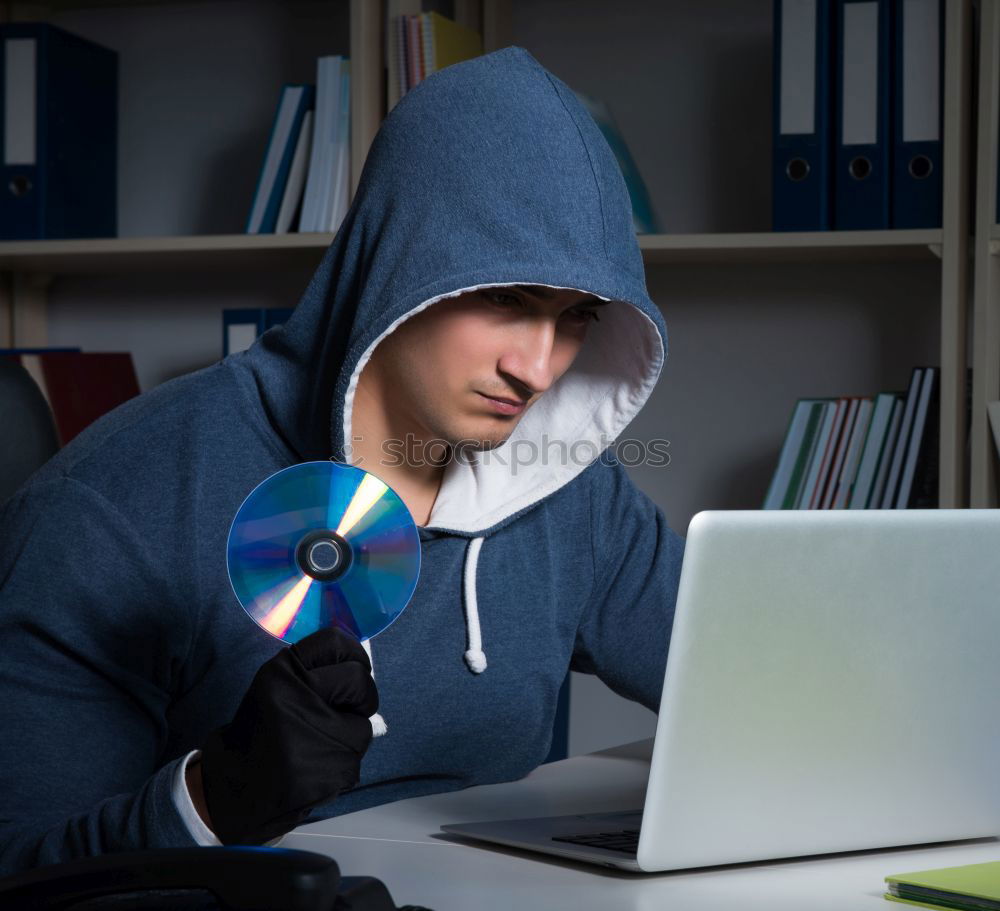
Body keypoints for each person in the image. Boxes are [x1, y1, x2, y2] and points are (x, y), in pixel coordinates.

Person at [0, 45, 685, 874]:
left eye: (577, 316)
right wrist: (213, 802)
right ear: (406, 260)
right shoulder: (116, 504)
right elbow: (20, 867)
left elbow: (764, 685)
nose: (538, 369)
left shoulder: (576, 494)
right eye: (506, 298)